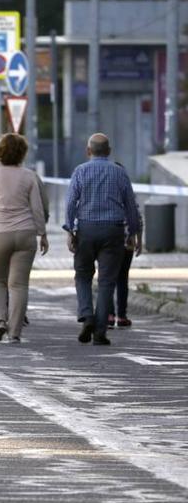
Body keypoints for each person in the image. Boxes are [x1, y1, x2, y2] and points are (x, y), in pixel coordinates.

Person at [64, 133, 142, 346]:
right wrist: (133, 233)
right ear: (108, 151)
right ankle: (100, 331)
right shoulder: (119, 173)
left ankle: (87, 315)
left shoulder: (80, 171)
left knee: (82, 276)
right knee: (107, 281)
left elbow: (71, 203)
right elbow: (130, 206)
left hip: (86, 231)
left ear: (88, 151)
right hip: (113, 231)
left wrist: (70, 229)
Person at [0, 134, 49, 344]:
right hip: (26, 233)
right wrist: (42, 233)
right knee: (19, 285)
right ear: (22, 153)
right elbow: (37, 207)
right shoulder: (29, 176)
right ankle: (15, 332)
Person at [110, 161, 143, 329]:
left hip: (109, 239)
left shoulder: (105, 190)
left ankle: (109, 314)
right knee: (122, 278)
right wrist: (139, 239)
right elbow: (136, 215)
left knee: (107, 277)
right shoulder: (127, 190)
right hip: (127, 240)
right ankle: (122, 316)